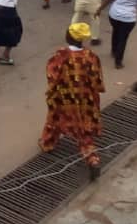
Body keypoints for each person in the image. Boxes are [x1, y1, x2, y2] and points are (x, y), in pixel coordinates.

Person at [40, 23, 105, 179]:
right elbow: (97, 81)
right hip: (85, 100)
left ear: (68, 36)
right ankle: (90, 157)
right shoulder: (91, 56)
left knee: (56, 119)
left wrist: (52, 92)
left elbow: (52, 77)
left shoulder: (60, 56)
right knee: (84, 127)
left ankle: (49, 144)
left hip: (64, 98)